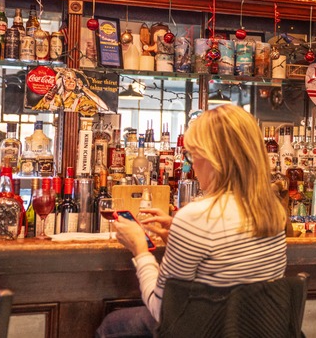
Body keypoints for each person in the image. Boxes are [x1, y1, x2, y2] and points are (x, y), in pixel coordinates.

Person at [95, 104, 288, 337]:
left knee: (111, 324)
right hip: (253, 330)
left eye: (192, 155)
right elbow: (222, 255)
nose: (191, 165)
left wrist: (139, 249)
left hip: (204, 331)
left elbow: (162, 310)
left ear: (214, 160)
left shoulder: (196, 216)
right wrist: (176, 233)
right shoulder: (272, 210)